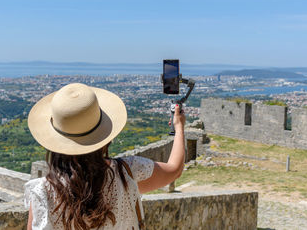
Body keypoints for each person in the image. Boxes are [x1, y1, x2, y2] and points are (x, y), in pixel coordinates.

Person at [24, 83, 186, 230]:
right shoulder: (127, 174)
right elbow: (174, 170)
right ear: (104, 138)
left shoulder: (43, 193)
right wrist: (179, 127)